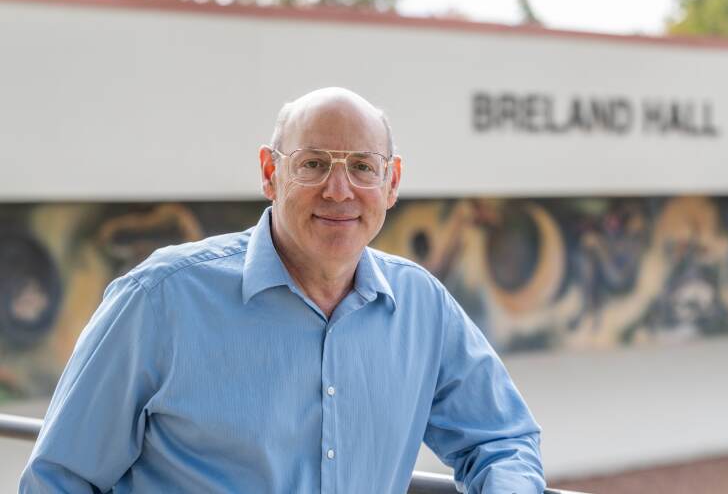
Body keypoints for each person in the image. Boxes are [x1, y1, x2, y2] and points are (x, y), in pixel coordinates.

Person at [20, 87, 545, 493]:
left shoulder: (421, 306)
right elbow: (59, 478)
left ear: (392, 182)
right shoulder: (160, 300)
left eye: (363, 167)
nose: (339, 191)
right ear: (271, 173)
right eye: (313, 164)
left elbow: (503, 440)